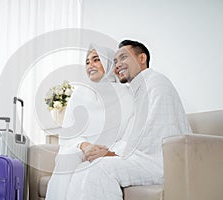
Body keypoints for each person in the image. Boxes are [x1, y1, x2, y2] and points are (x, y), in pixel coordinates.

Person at [63, 40, 192, 200]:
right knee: (87, 167)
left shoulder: (156, 83)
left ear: (142, 58)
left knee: (100, 169)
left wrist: (111, 153)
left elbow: (152, 139)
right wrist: (106, 151)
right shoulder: (135, 90)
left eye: (123, 58)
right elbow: (132, 132)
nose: (118, 65)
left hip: (160, 162)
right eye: (115, 61)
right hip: (143, 157)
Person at [45, 44, 134, 200]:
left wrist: (106, 152)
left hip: (110, 152)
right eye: (87, 62)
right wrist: (85, 146)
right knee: (67, 157)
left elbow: (129, 133)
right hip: (81, 150)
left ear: (109, 64)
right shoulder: (80, 93)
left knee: (92, 169)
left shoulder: (126, 94)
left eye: (96, 60)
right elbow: (69, 133)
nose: (90, 65)